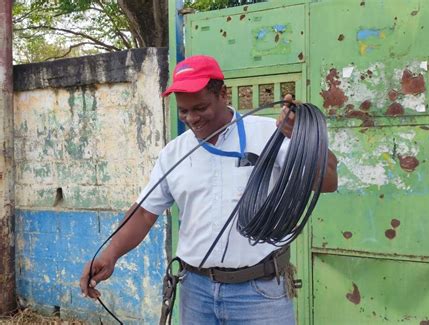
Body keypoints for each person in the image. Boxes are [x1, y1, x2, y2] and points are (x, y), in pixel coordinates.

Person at [80, 55, 338, 324]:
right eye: (183, 111)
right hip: (197, 291)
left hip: (260, 292)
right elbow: (145, 213)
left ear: (223, 94)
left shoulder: (271, 133)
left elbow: (328, 183)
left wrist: (302, 139)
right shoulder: (174, 152)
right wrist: (109, 254)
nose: (191, 118)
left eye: (200, 107)